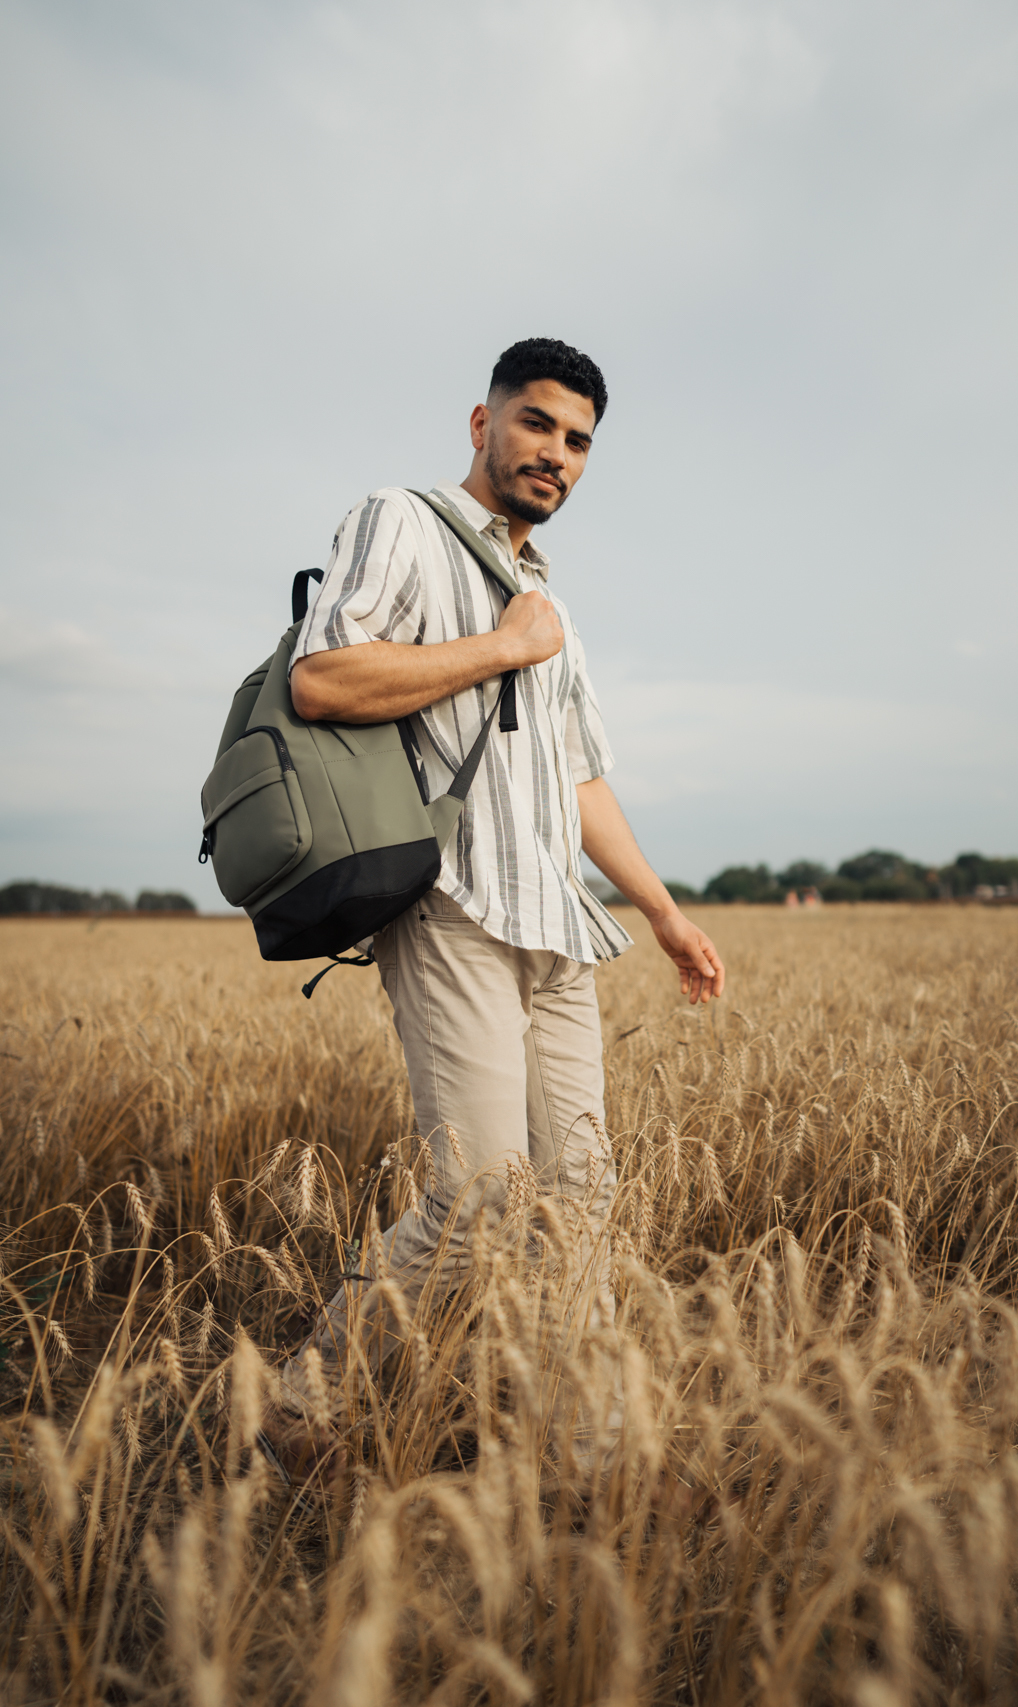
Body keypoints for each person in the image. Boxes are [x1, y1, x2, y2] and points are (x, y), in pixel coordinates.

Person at [259, 337, 724, 1491]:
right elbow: (325, 678)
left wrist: (663, 914)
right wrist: (500, 648)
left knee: (579, 1195)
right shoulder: (402, 521)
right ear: (483, 422)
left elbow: (577, 776)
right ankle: (303, 1409)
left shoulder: (548, 597)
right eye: (537, 425)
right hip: (453, 907)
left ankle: (585, 1461)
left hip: (556, 924)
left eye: (578, 441)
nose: (555, 454)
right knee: (476, 1197)